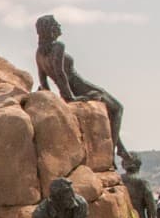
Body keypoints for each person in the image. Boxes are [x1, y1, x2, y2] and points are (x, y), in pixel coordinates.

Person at [34, 14, 129, 164]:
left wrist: (52, 97)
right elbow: (60, 73)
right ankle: (112, 153)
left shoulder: (39, 53)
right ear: (50, 29)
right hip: (79, 87)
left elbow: (43, 80)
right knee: (118, 108)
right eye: (56, 24)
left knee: (111, 110)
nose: (59, 26)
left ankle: (121, 149)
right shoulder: (58, 46)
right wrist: (70, 97)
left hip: (70, 89)